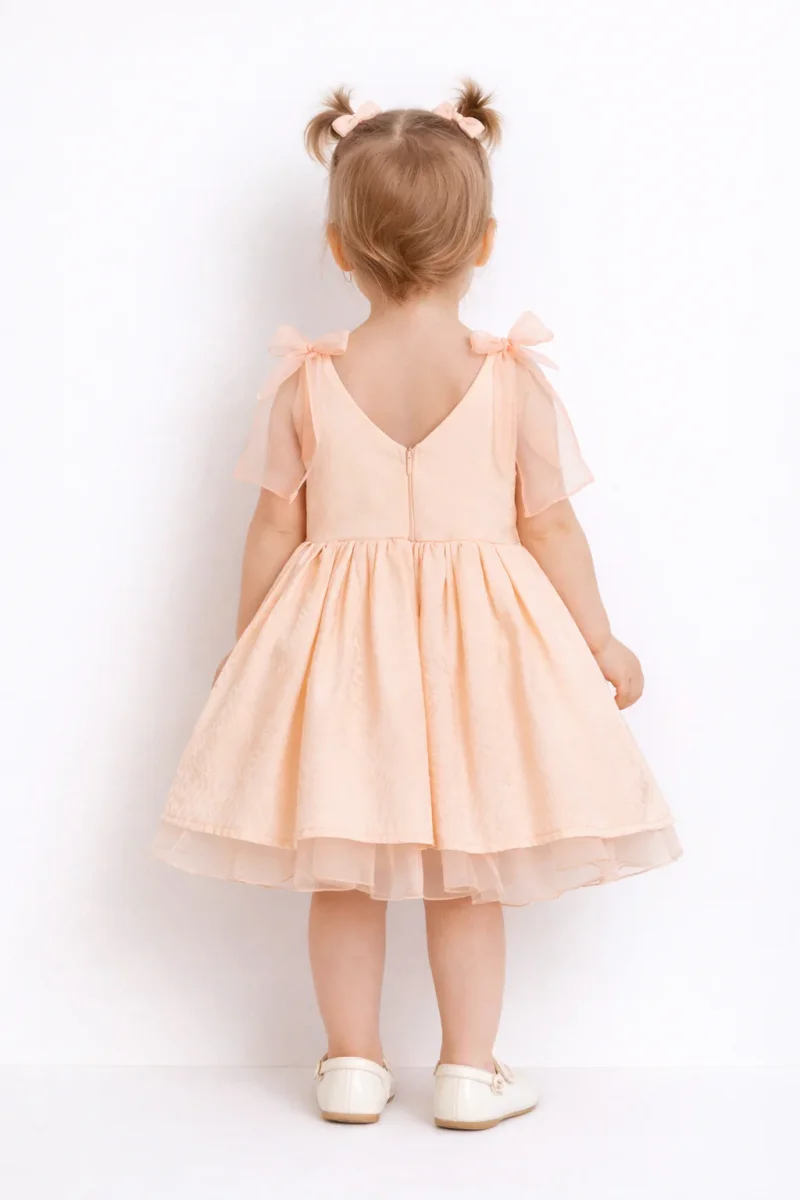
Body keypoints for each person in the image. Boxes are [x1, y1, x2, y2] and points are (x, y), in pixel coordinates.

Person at [156, 82, 681, 1131]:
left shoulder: (306, 382)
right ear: (483, 243)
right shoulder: (510, 381)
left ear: (338, 248)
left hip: (340, 654)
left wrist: (249, 644)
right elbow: (550, 529)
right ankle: (467, 1072)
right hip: (477, 655)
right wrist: (597, 638)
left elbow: (273, 529)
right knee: (465, 873)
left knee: (344, 867)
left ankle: (351, 1065)